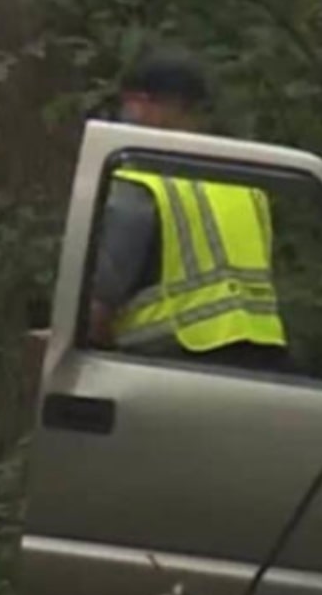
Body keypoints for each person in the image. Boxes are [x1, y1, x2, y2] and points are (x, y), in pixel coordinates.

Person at [88, 47, 290, 370]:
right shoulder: (246, 184)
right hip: (262, 367)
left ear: (151, 104)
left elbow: (99, 303)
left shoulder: (141, 184)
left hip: (168, 366)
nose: (127, 113)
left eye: (132, 102)